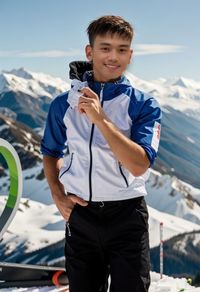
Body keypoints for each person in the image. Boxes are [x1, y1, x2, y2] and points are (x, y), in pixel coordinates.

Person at [41, 15, 162, 292]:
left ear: (130, 55)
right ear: (89, 52)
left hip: (127, 215)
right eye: (105, 48)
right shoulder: (63, 104)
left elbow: (139, 164)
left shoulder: (145, 105)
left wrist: (100, 118)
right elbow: (50, 150)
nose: (113, 57)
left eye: (122, 49)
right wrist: (57, 193)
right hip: (81, 215)